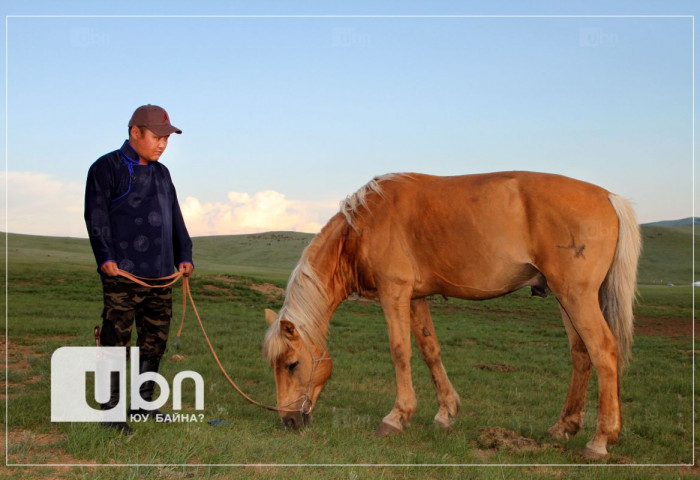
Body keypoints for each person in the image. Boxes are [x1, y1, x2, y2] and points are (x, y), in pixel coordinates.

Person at [84, 104, 194, 434]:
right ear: (136, 133)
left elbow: (175, 217)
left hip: (161, 274)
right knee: (116, 342)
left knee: (154, 341)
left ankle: (144, 404)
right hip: (123, 274)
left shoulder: (163, 174)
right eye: (158, 136)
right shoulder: (106, 168)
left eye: (167, 138)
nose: (163, 144)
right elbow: (96, 216)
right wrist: (105, 257)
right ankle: (112, 412)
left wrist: (184, 254)